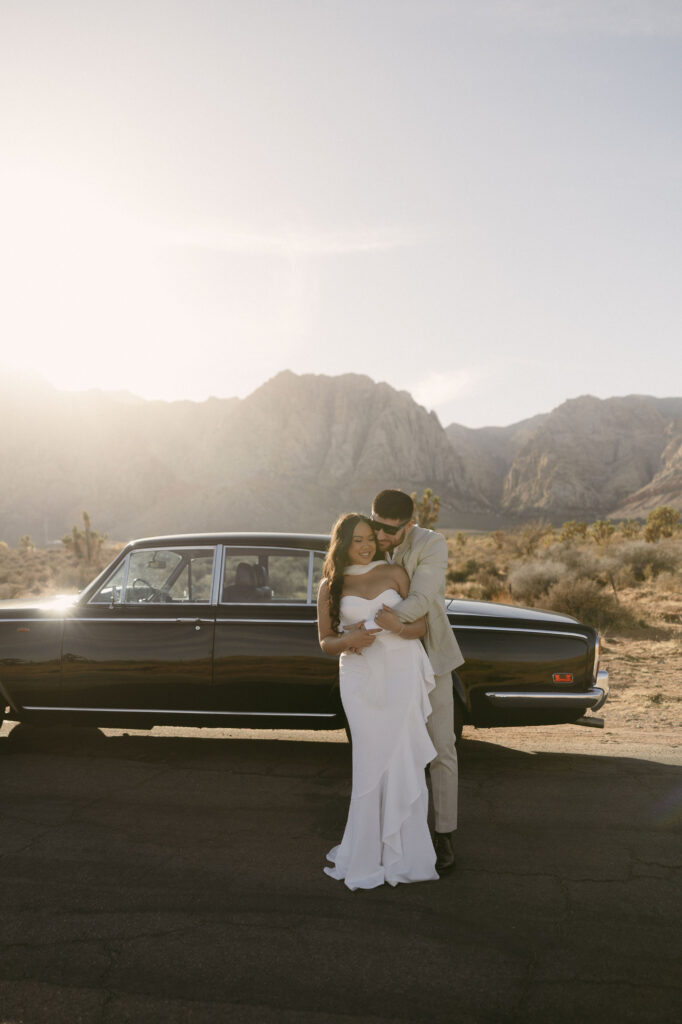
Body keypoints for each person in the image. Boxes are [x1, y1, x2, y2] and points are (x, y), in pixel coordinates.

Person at [317, 513, 440, 890]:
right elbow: (325, 641)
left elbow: (422, 627)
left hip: (401, 669)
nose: (367, 545)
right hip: (360, 677)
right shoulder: (331, 585)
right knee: (370, 763)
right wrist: (349, 641)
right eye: (357, 540)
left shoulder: (395, 574)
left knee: (401, 758)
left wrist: (397, 626)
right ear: (343, 544)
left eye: (370, 537)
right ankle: (367, 852)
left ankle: (406, 854)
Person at [370, 489, 464, 873]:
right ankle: (388, 832)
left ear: (408, 524)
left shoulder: (432, 543)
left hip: (431, 656)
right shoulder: (366, 539)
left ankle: (444, 834)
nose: (381, 536)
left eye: (390, 531)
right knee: (388, 749)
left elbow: (424, 597)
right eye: (377, 526)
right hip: (383, 662)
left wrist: (384, 621)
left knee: (441, 747)